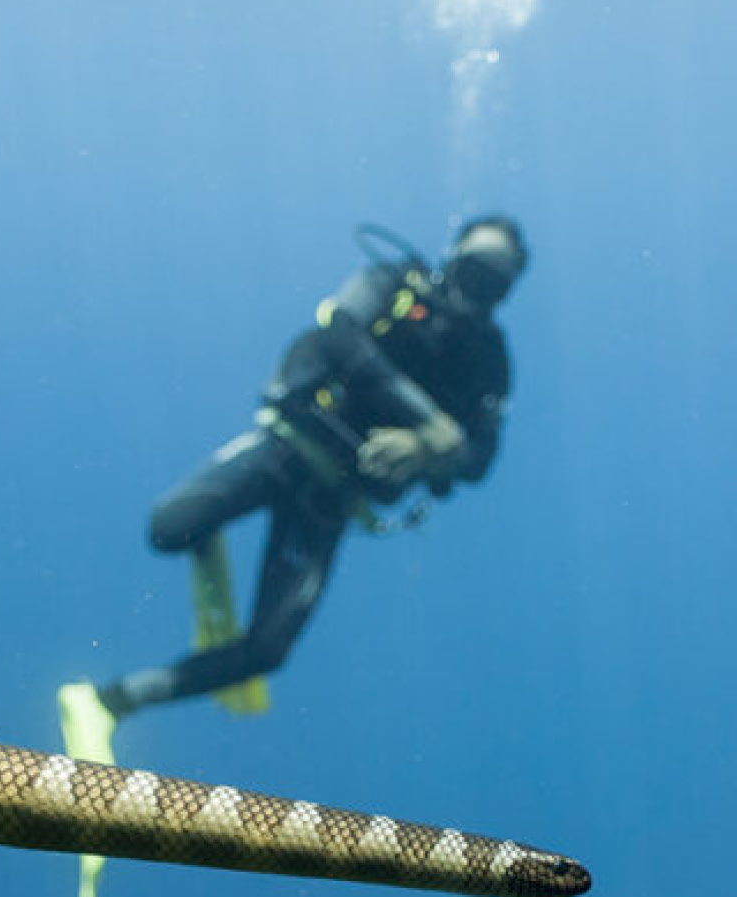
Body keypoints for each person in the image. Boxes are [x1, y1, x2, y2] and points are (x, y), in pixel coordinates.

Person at [59, 213, 528, 749]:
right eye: (474, 271)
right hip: (288, 445)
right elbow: (337, 339)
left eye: (495, 282)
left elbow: (480, 459)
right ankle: (206, 542)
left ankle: (103, 704)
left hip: (333, 498)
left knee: (267, 652)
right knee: (169, 528)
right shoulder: (393, 284)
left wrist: (425, 450)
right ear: (451, 258)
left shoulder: (491, 360)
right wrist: (430, 423)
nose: (479, 289)